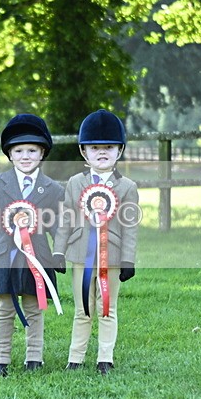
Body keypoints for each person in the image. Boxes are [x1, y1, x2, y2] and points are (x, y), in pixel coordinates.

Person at [0, 114, 64, 377]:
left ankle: (34, 358)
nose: (25, 156)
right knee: (4, 308)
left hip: (37, 256)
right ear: (9, 154)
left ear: (42, 153)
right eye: (19, 151)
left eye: (32, 150)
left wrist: (60, 252)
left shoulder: (53, 189)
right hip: (4, 256)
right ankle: (1, 359)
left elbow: (58, 224)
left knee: (34, 307)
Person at [53, 109, 139, 376]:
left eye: (109, 147)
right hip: (80, 255)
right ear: (83, 152)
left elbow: (130, 227)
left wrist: (128, 259)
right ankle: (75, 358)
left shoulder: (127, 187)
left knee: (107, 308)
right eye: (95, 148)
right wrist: (58, 251)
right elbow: (66, 218)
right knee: (83, 309)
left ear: (120, 150)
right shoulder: (74, 183)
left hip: (111, 257)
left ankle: (105, 358)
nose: (102, 152)